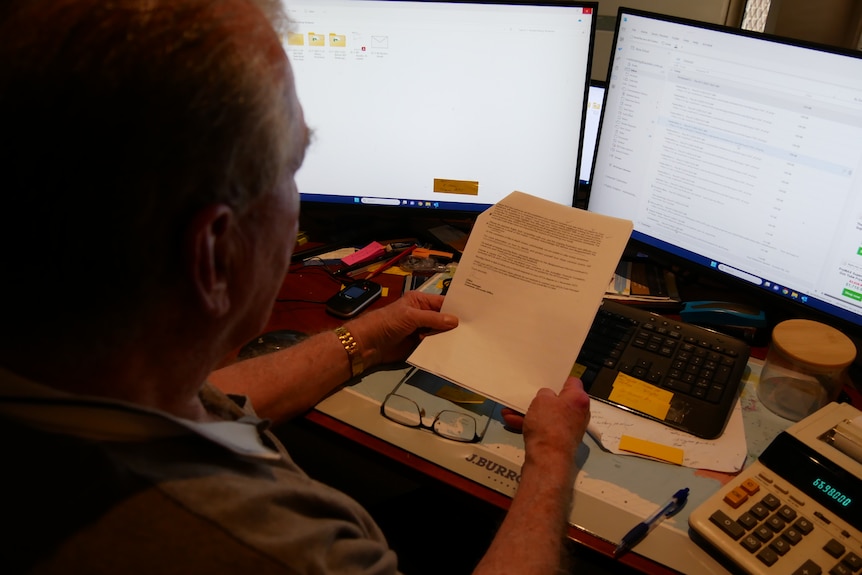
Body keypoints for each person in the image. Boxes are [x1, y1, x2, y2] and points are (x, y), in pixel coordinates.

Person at [0, 0, 592, 573]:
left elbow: (213, 394)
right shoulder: (279, 552)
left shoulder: (87, 379)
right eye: (292, 167)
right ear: (212, 254)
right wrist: (549, 461)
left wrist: (364, 338)